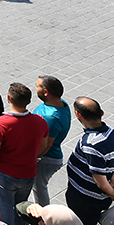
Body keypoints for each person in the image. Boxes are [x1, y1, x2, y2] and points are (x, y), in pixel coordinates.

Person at [0, 82, 50, 225]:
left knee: (5, 205)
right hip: (29, 172)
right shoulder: (40, 121)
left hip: (5, 173)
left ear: (8, 98)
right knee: (22, 206)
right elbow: (43, 147)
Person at [65, 97, 114, 225]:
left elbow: (101, 183)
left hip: (85, 198)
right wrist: (113, 179)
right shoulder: (111, 132)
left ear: (78, 115)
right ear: (102, 113)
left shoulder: (91, 144)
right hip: (98, 197)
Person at [31, 75, 71, 206]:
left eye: (37, 86)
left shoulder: (50, 117)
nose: (35, 88)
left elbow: (46, 145)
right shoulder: (61, 103)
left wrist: (31, 158)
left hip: (47, 159)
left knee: (39, 188)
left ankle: (44, 216)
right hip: (49, 155)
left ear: (46, 92)